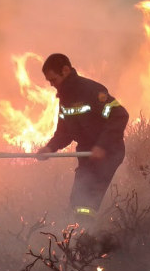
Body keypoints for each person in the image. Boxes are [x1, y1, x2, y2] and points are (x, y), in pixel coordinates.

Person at [35, 53, 129, 225]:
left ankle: (90, 238)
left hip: (109, 153)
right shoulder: (65, 100)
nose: (52, 85)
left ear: (65, 70)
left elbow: (119, 114)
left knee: (88, 200)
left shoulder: (92, 91)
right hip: (87, 155)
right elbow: (64, 133)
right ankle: (83, 236)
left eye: (54, 80)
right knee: (78, 200)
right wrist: (49, 148)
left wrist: (101, 146)